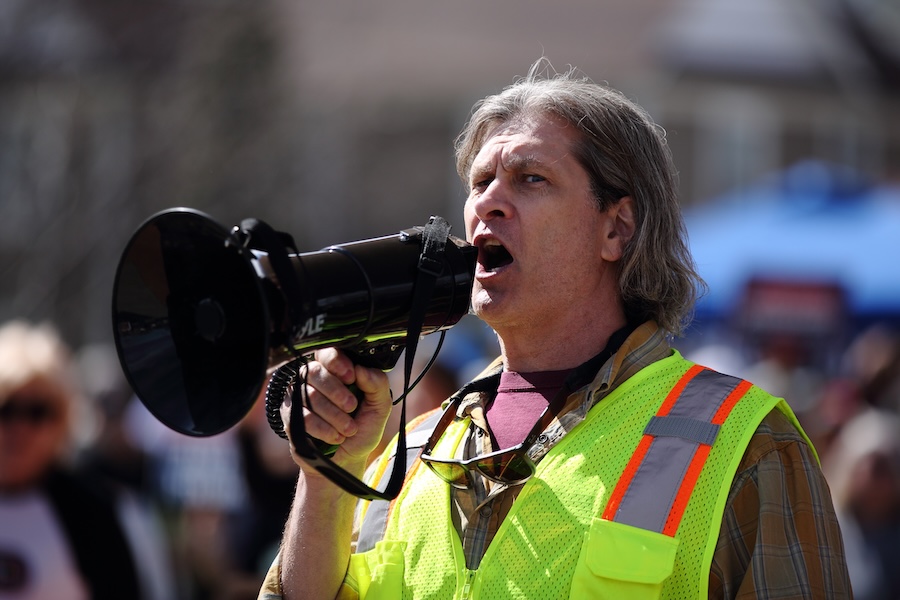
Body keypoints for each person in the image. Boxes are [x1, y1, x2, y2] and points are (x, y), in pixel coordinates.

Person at [258, 61, 852, 599]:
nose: (487, 202)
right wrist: (325, 474)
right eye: (480, 182)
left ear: (616, 230)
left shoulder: (747, 445)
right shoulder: (407, 454)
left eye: (530, 179)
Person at [0, 320, 142, 599]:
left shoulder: (91, 512)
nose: (20, 428)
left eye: (37, 411)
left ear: (62, 420)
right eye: (6, 409)